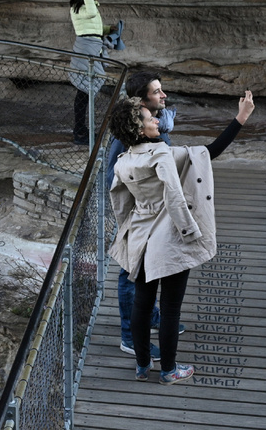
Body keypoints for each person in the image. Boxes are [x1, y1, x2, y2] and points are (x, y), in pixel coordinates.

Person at [108, 90, 256, 385]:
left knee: (142, 304)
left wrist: (128, 229)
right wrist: (191, 232)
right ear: (140, 128)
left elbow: (119, 202)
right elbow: (189, 177)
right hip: (170, 238)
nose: (157, 119)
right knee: (172, 308)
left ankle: (141, 366)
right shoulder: (162, 153)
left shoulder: (123, 161)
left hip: (140, 238)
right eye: (151, 118)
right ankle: (169, 370)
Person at [105, 72, 182, 358]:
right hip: (138, 215)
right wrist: (133, 216)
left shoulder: (153, 123)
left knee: (143, 268)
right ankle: (129, 336)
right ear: (142, 99)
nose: (164, 95)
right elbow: (114, 179)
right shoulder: (128, 133)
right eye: (157, 91)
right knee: (130, 272)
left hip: (153, 212)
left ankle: (151, 318)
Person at [68, 0, 110, 144]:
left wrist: (109, 29)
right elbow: (91, 14)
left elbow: (94, 28)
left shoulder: (87, 5)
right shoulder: (78, 6)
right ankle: (79, 131)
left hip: (92, 48)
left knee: (85, 92)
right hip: (86, 50)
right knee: (84, 91)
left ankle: (81, 129)